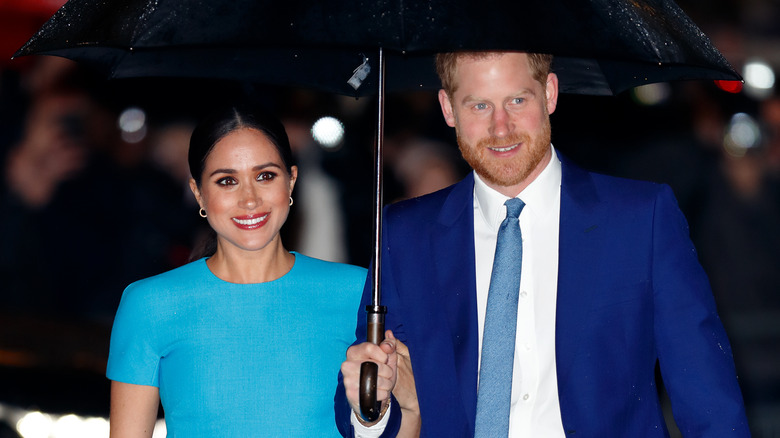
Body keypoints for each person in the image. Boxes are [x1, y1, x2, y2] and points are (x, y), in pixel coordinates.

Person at [335, 51, 751, 437]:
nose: (501, 127)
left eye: (517, 100)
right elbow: (364, 404)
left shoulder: (641, 218)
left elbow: (707, 397)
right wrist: (373, 403)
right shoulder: (403, 235)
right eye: (479, 105)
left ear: (549, 93)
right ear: (448, 108)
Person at [107, 104, 367, 437]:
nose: (249, 199)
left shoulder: (357, 292)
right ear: (198, 193)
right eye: (227, 181)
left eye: (265, 176)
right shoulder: (150, 304)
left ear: (291, 181)